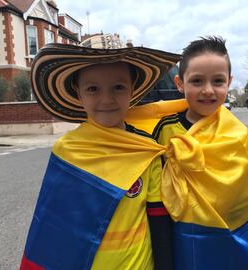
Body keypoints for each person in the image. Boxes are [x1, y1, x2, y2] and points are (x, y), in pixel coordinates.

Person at [19, 44, 180, 270]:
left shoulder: (147, 150)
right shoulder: (67, 152)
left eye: (118, 87)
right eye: (93, 89)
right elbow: (53, 228)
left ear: (132, 89)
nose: (106, 99)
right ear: (78, 91)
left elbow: (159, 221)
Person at [151, 36, 248, 270]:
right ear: (179, 83)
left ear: (229, 82)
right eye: (196, 81)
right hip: (178, 233)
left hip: (228, 235)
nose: (208, 90)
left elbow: (247, 195)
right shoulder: (163, 129)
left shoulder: (238, 133)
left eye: (217, 81)